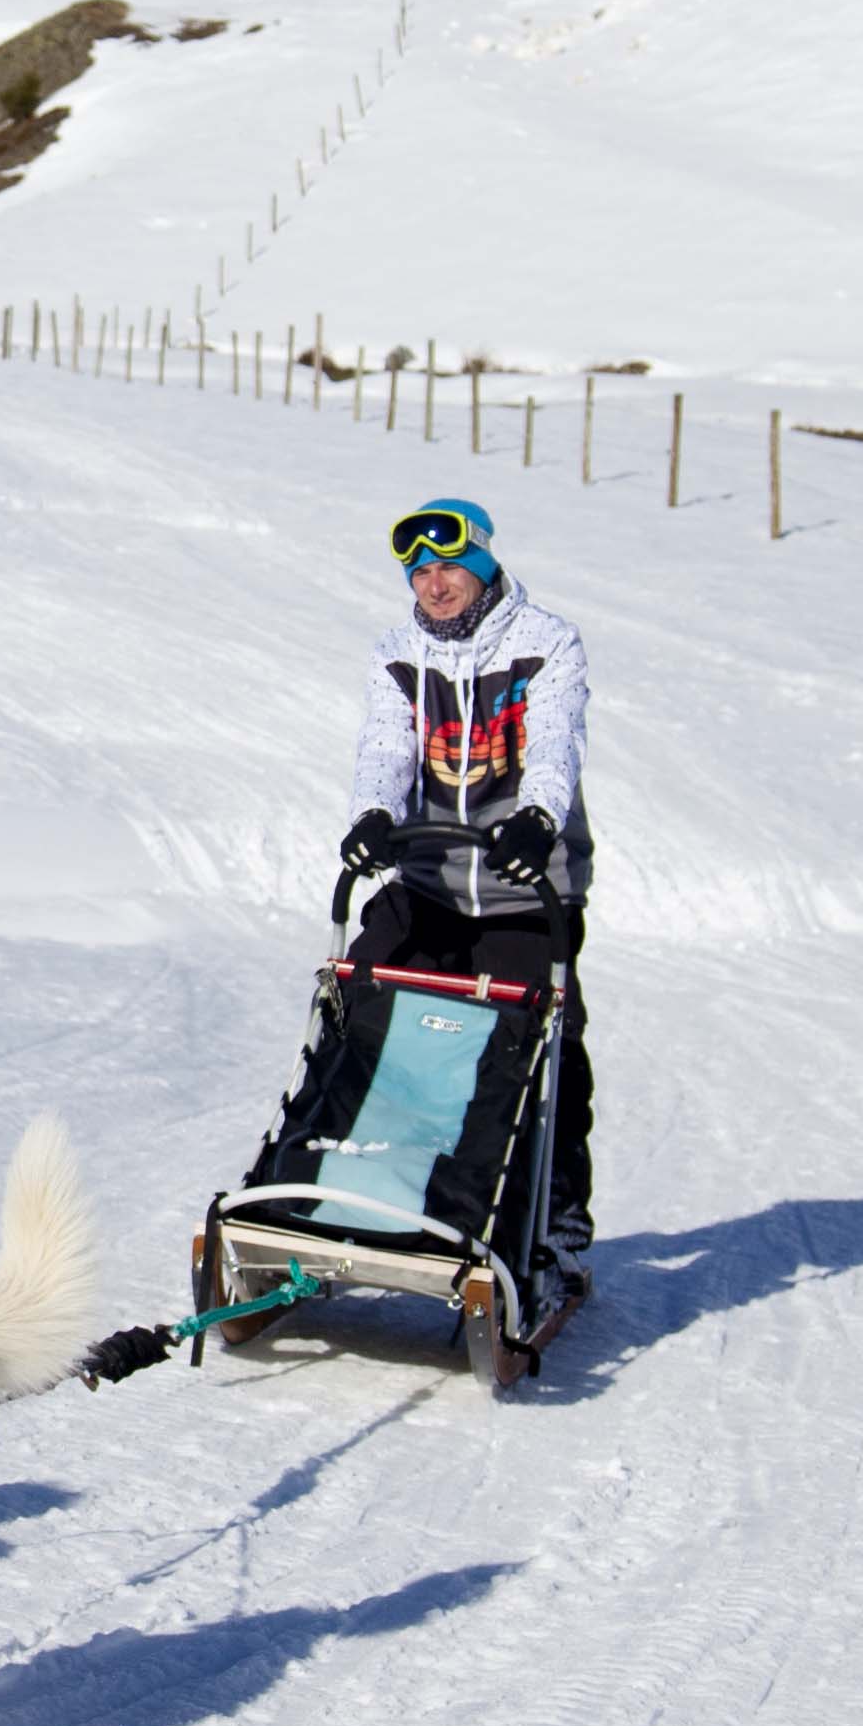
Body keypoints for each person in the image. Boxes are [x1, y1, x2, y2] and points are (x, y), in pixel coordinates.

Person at [328, 493, 595, 1293]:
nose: (434, 584)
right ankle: (338, 1191)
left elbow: (554, 740)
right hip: (429, 878)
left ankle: (557, 1223)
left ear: (481, 564)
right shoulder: (397, 651)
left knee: (535, 1052)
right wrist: (373, 813)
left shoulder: (547, 645)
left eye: (449, 567)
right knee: (357, 1008)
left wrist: (537, 817)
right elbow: (388, 747)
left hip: (524, 887)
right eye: (419, 571)